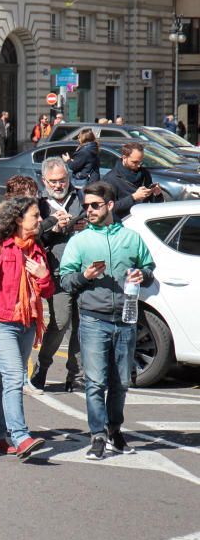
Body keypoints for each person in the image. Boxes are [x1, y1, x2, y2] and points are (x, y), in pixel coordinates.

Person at [59, 181, 155, 460]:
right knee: (95, 382)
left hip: (126, 318)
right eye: (86, 206)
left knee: (121, 382)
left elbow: (148, 268)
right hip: (93, 320)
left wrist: (142, 275)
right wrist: (84, 277)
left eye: (95, 205)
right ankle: (97, 435)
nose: (88, 210)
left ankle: (115, 430)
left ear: (110, 205)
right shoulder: (80, 241)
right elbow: (65, 281)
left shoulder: (131, 238)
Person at [0, 196, 53, 461]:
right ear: (19, 219)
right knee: (15, 377)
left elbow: (48, 291)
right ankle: (20, 436)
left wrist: (43, 275)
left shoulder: (36, 249)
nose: (40, 220)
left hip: (27, 322)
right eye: (35, 216)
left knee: (8, 379)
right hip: (1, 322)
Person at [30, 157, 85, 393]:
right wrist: (53, 229)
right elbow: (32, 239)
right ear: (44, 180)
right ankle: (42, 367)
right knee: (61, 322)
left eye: (62, 180)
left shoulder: (81, 198)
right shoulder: (39, 205)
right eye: (53, 181)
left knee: (81, 324)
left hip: (84, 270)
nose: (58, 185)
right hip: (56, 271)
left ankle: (77, 374)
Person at [102, 142, 162, 220]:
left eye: (140, 161)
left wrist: (157, 195)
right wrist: (133, 197)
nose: (139, 165)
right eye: (135, 162)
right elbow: (108, 208)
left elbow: (155, 205)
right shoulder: (110, 178)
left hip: (144, 220)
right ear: (124, 158)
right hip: (123, 223)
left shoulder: (144, 173)